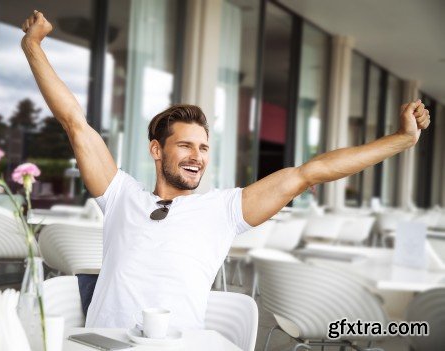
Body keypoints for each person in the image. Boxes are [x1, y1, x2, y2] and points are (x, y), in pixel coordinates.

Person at [21, 11, 431, 330]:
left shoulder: (225, 210)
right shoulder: (120, 194)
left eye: (203, 148)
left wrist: (401, 139)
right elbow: (74, 121)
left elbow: (313, 171)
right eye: (184, 145)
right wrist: (33, 46)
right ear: (155, 150)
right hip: (103, 345)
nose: (197, 156)